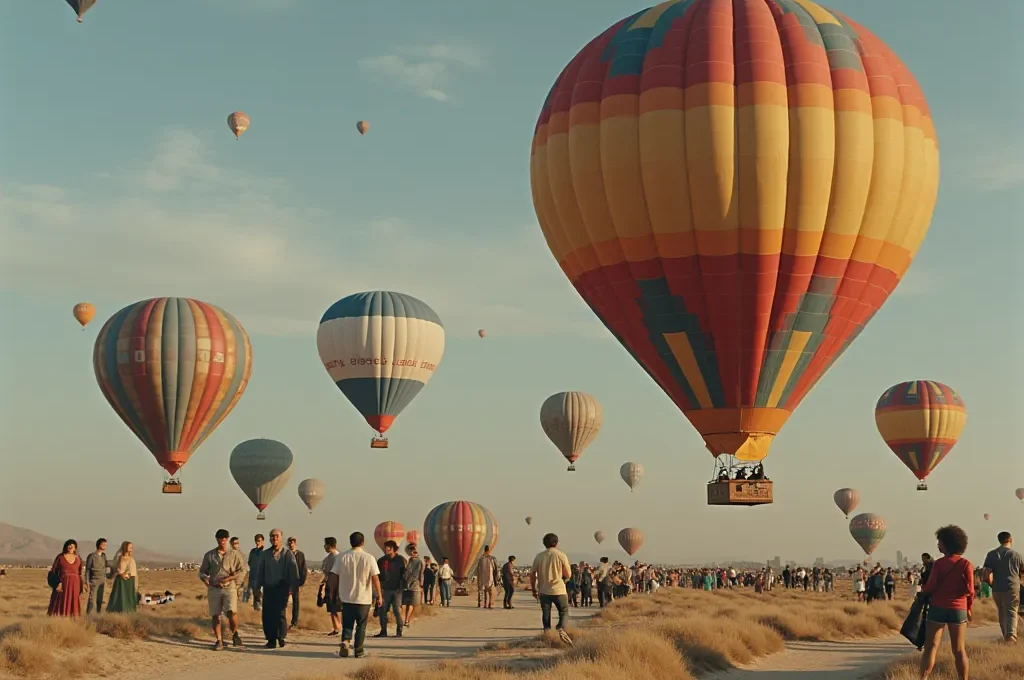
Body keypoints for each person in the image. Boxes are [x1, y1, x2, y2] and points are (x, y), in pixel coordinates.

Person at [919, 525, 974, 680]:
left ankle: (923, 678)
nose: (938, 545)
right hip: (958, 609)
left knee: (931, 647)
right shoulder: (966, 564)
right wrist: (968, 608)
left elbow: (931, 586)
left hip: (937, 607)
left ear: (947, 543)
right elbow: (970, 590)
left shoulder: (938, 564)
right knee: (959, 650)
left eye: (940, 542)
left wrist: (922, 590)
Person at [328, 531, 382, 659]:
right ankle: (358, 650)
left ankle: (346, 641)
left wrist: (332, 592)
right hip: (363, 598)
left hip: (346, 597)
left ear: (350, 542)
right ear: (363, 542)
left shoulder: (342, 557)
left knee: (347, 624)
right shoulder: (369, 558)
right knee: (361, 625)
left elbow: (334, 576)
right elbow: (375, 578)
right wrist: (379, 595)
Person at [199, 529, 248, 650]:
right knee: (216, 615)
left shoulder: (235, 554)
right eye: (220, 538)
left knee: (232, 612)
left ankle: (235, 634)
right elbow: (202, 571)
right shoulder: (210, 555)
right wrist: (205, 579)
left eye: (224, 538)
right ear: (217, 539)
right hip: (214, 588)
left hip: (230, 587)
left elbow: (243, 570)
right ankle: (219, 640)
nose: (222, 540)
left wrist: (231, 578)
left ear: (227, 539)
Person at [252, 529, 300, 649]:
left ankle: (281, 637)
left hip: (282, 588)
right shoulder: (265, 554)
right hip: (268, 588)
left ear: (281, 537)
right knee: (268, 615)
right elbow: (260, 572)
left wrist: (292, 588)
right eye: (272, 536)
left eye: (277, 536)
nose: (274, 538)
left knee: (280, 613)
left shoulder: (287, 554)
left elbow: (293, 572)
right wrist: (257, 587)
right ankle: (271, 639)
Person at [530, 533, 573, 646]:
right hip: (559, 589)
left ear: (544, 543)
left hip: (544, 590)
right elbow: (568, 574)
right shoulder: (561, 555)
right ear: (556, 543)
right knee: (563, 611)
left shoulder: (539, 556)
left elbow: (532, 574)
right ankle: (561, 629)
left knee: (546, 613)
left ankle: (547, 634)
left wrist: (533, 589)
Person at [982, 531, 1023, 643]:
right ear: (1011, 540)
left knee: (1001, 611)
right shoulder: (1016, 555)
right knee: (1011, 610)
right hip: (1012, 587)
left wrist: (992, 584)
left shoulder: (992, 554)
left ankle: (1005, 634)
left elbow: (986, 574)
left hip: (997, 588)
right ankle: (1011, 636)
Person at [375, 540, 406, 637]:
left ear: (392, 548)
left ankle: (399, 631)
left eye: (387, 547)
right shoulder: (381, 560)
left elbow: (405, 574)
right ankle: (383, 631)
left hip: (397, 589)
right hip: (385, 589)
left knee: (397, 610)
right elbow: (377, 576)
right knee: (382, 610)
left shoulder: (401, 560)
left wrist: (403, 587)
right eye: (384, 547)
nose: (385, 549)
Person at [48, 539, 83, 618]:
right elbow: (53, 571)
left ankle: (73, 619)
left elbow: (80, 573)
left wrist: (82, 585)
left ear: (75, 548)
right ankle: (60, 618)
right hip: (63, 583)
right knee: (62, 600)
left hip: (75, 584)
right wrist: (57, 583)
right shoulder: (60, 557)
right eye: (69, 545)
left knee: (74, 600)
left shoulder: (78, 558)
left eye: (73, 546)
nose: (71, 547)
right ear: (66, 546)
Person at [107, 541, 138, 613]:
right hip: (120, 579)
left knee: (128, 595)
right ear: (125, 547)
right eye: (130, 546)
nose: (131, 548)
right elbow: (117, 567)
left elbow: (132, 570)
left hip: (129, 580)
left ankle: (129, 610)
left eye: (132, 547)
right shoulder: (119, 557)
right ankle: (117, 610)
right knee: (119, 595)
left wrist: (127, 574)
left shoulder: (131, 559)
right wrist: (121, 573)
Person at [321, 537, 342, 636]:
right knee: (332, 607)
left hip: (336, 585)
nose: (324, 546)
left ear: (329, 545)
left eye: (325, 544)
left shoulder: (338, 557)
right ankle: (336, 627)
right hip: (331, 584)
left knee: (335, 607)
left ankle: (339, 627)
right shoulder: (329, 558)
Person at [84, 538, 109, 615]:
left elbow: (106, 566)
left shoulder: (104, 556)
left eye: (105, 545)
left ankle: (98, 615)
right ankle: (89, 615)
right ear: (99, 545)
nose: (105, 546)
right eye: (103, 544)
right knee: (92, 599)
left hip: (102, 580)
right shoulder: (91, 556)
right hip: (94, 580)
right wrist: (87, 582)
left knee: (99, 599)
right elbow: (87, 569)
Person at [286, 537, 307, 629]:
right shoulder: (285, 554)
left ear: (295, 543)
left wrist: (301, 581)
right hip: (285, 581)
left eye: (293, 542)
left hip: (295, 581)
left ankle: (294, 622)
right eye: (290, 542)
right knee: (283, 601)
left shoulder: (300, 555)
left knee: (295, 602)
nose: (291, 544)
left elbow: (303, 569)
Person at [402, 543, 424, 627]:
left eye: (414, 551)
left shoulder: (418, 561)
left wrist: (421, 585)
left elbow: (420, 574)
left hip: (414, 585)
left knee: (410, 604)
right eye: (411, 551)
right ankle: (404, 620)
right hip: (408, 585)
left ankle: (406, 620)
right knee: (405, 603)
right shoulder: (409, 560)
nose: (412, 553)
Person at [245, 534, 264, 610]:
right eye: (256, 541)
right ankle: (255, 611)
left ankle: (261, 610)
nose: (257, 542)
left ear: (262, 541)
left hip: (261, 577)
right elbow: (249, 562)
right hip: (252, 576)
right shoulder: (252, 551)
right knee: (253, 595)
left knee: (260, 596)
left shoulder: (265, 552)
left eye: (259, 541)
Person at [476, 544, 498, 609]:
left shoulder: (481, 559)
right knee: (490, 592)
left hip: (482, 578)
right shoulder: (492, 558)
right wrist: (496, 577)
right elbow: (495, 568)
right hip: (490, 578)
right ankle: (490, 604)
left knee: (484, 591)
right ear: (489, 550)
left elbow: (478, 569)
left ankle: (484, 604)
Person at [230, 537, 245, 606]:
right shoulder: (228, 554)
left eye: (237, 543)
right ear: (231, 544)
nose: (236, 545)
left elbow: (243, 568)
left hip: (240, 579)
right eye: (234, 543)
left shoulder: (241, 554)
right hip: (231, 579)